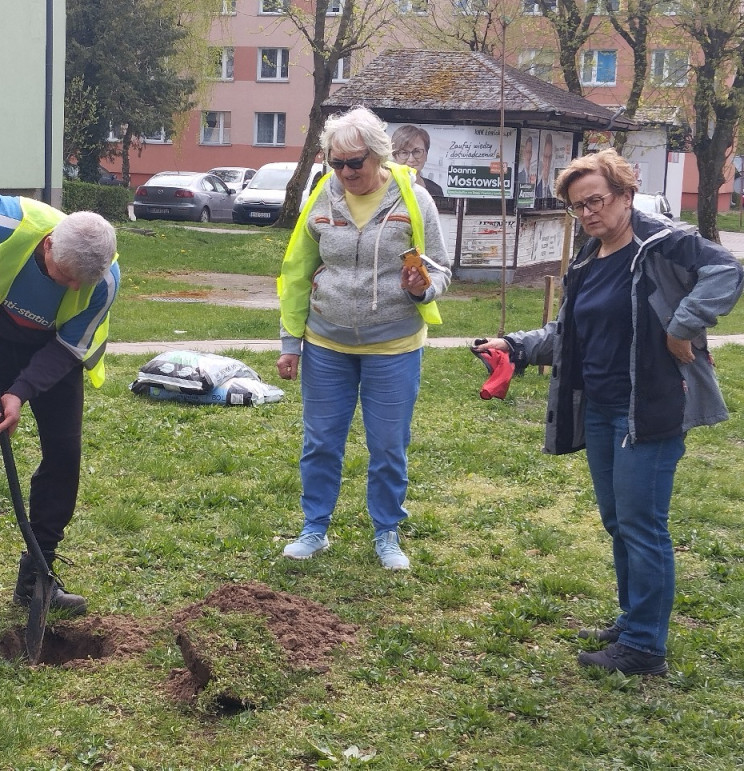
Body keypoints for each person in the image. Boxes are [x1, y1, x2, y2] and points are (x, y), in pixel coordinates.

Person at [474, 149, 743, 675]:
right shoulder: (588, 258)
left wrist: (681, 325)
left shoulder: (663, 243)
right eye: (577, 207)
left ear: (625, 195)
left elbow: (728, 270)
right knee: (619, 522)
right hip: (597, 408)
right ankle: (633, 618)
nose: (587, 214)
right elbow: (566, 332)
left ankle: (644, 647)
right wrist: (515, 344)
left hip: (647, 407)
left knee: (644, 525)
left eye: (595, 201)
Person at [0, 195, 120, 634]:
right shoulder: (4, 224)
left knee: (64, 455)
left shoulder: (103, 282)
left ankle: (38, 575)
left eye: (80, 283)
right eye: (65, 278)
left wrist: (20, 393)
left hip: (52, 351)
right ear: (47, 245)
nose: (72, 289)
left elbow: (71, 346)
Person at [277, 106, 451, 570]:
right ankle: (315, 528)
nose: (346, 172)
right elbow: (297, 272)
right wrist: (290, 342)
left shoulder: (414, 199)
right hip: (326, 344)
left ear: (378, 156)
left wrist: (424, 287)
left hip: (393, 346)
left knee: (388, 446)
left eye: (355, 162)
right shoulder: (320, 197)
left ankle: (387, 532)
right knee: (320, 442)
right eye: (336, 163)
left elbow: (439, 267)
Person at [391, 124, 444, 197]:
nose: (411, 159)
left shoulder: (436, 190)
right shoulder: (384, 188)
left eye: (417, 152)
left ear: (426, 155)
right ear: (395, 156)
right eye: (404, 153)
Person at [535, 133, 554, 199]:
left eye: (550, 157)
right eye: (546, 157)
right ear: (541, 158)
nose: (548, 162)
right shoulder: (536, 187)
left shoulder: (552, 189)